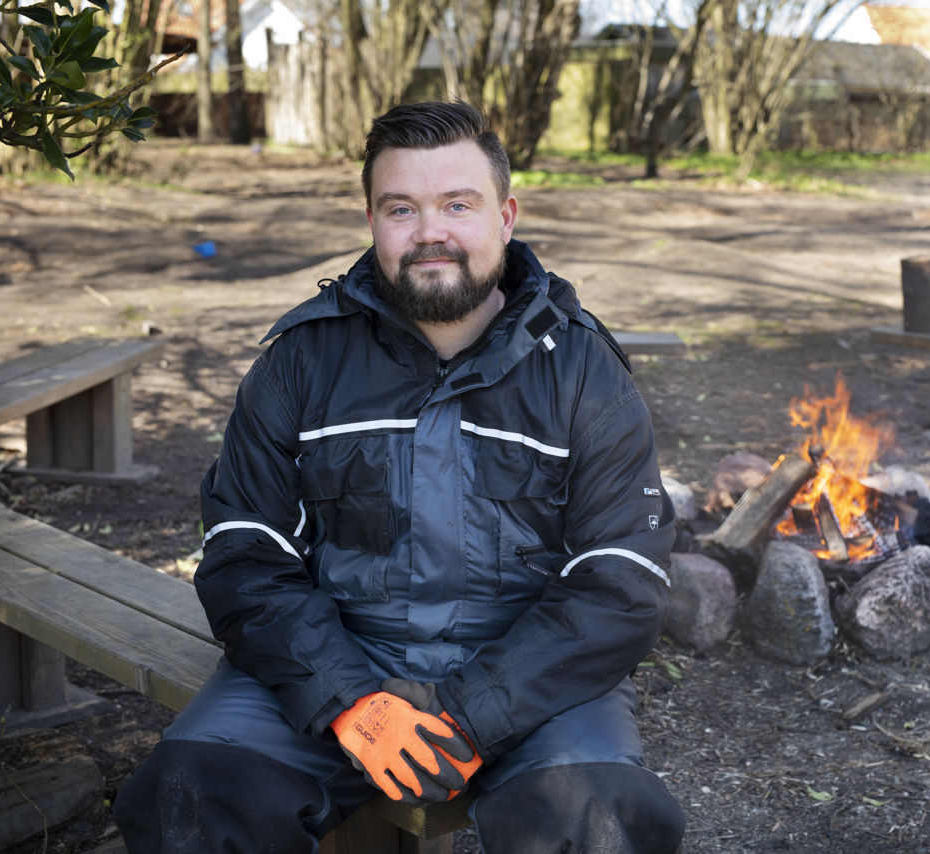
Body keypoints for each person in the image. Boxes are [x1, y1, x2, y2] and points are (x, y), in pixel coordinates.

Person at [113, 100, 686, 854]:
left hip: (535, 678)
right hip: (339, 658)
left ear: (505, 216)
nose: (430, 233)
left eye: (457, 204)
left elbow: (621, 579)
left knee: (603, 820)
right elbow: (243, 548)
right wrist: (350, 701)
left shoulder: (584, 373)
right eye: (401, 209)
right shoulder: (301, 361)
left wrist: (475, 712)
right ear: (372, 220)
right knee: (188, 798)